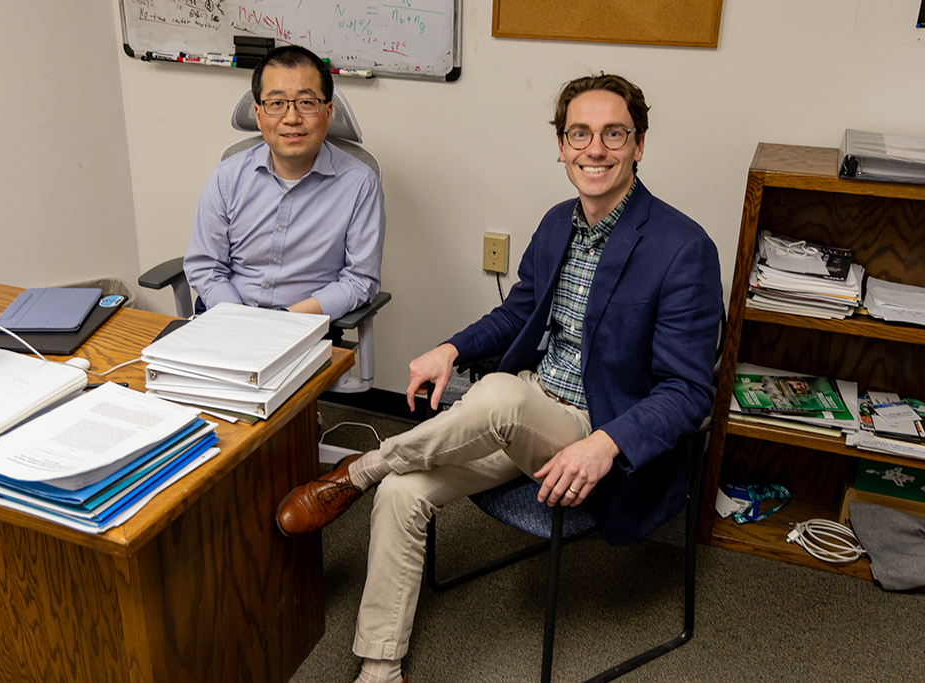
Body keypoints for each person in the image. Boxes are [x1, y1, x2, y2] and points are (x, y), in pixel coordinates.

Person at [276, 74, 722, 683]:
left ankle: (359, 468)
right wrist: (448, 348)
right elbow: (518, 313)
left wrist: (604, 443)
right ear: (561, 147)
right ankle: (380, 666)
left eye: (613, 134)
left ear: (639, 145)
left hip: (599, 434)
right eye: (579, 135)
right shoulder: (558, 222)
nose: (595, 149)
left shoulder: (683, 247)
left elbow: (690, 391)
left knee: (498, 394)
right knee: (404, 494)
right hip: (526, 414)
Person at [184, 45, 385, 322]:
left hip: (303, 326)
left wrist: (284, 320)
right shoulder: (227, 176)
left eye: (306, 103)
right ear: (258, 114)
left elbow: (361, 280)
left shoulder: (360, 185)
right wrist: (239, 318)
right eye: (276, 104)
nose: (291, 118)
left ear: (328, 112)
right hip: (225, 319)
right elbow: (205, 265)